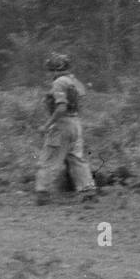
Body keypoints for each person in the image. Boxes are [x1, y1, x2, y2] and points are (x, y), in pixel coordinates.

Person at [35, 53, 96, 205]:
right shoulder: (74, 81)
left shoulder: (59, 83)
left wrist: (46, 125)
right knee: (77, 158)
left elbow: (61, 107)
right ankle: (88, 191)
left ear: (55, 69)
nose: (49, 73)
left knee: (48, 158)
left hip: (62, 124)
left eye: (50, 70)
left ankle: (43, 192)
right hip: (75, 123)